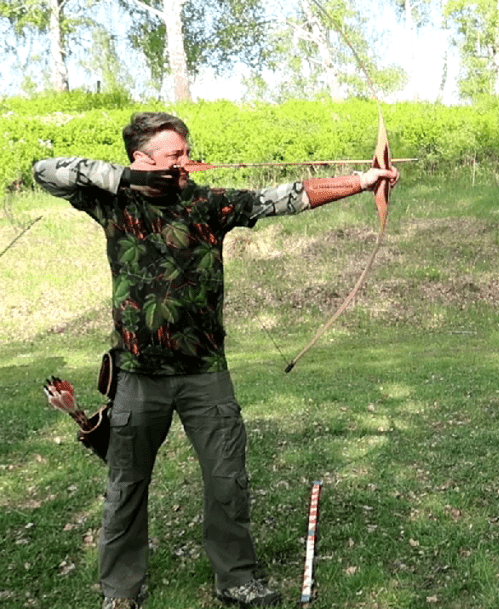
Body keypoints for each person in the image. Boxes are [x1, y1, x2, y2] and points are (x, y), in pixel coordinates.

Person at [33, 112, 399, 609]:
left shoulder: (205, 202)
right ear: (142, 158)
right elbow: (44, 171)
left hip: (206, 372)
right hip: (139, 375)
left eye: (187, 152)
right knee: (126, 484)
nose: (186, 161)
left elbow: (281, 198)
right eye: (175, 155)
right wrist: (127, 180)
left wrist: (362, 181)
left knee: (228, 480)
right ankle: (120, 590)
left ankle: (237, 579)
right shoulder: (113, 201)